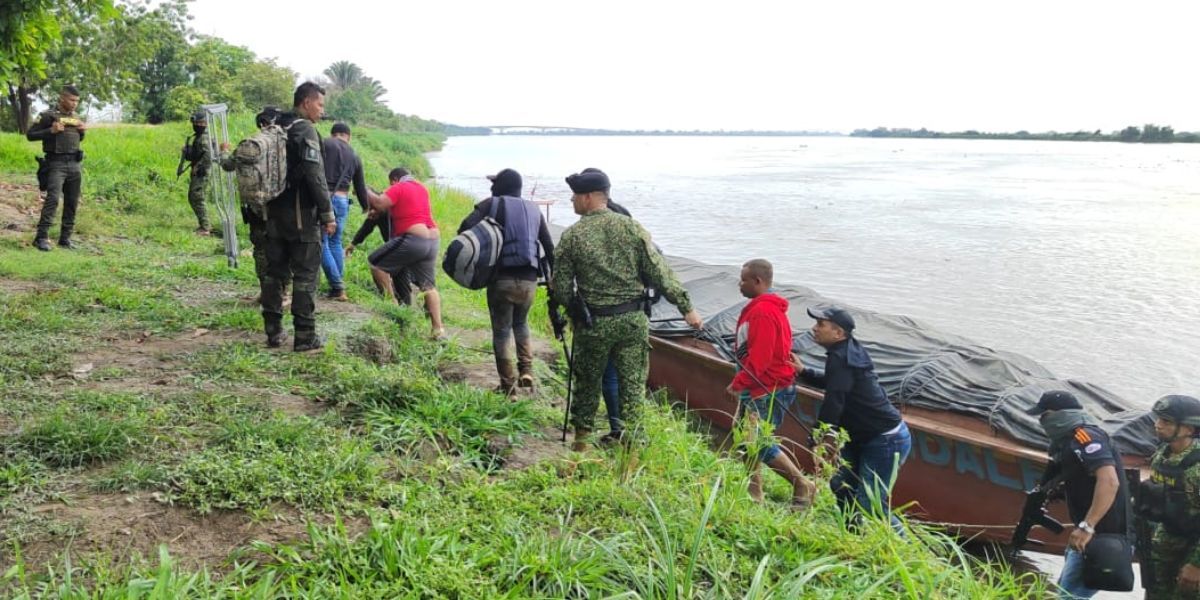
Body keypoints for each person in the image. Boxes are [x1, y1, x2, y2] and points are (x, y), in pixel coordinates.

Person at [550, 168, 702, 451]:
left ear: (588, 197)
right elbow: (659, 271)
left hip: (593, 324)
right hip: (633, 321)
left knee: (587, 385)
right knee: (632, 387)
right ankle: (631, 455)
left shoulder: (572, 236)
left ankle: (580, 448)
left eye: (574, 196)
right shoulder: (632, 227)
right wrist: (687, 308)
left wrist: (573, 311)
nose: (571, 200)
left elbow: (560, 288)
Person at [796, 306, 912, 526]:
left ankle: (905, 551)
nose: (814, 328)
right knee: (841, 485)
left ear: (838, 333)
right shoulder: (844, 352)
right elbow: (837, 384)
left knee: (871, 504)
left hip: (884, 439)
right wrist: (804, 372)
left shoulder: (842, 357)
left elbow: (835, 400)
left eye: (821, 324)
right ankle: (853, 536)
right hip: (861, 436)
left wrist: (819, 434)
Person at [726, 259, 816, 509]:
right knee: (745, 436)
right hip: (757, 386)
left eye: (743, 279)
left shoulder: (764, 312)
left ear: (757, 281)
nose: (740, 284)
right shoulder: (761, 308)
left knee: (758, 442)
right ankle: (753, 493)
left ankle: (801, 484)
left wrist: (738, 382)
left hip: (767, 388)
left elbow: (761, 357)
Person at [456, 168, 555, 395]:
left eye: (494, 184)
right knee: (521, 324)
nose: (491, 188)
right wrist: (552, 279)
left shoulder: (491, 204)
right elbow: (549, 248)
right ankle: (527, 371)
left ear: (501, 187)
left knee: (501, 332)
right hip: (530, 281)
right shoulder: (534, 209)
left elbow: (464, 229)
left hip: (502, 280)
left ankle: (508, 387)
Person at [1026, 390, 1132, 599]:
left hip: (1103, 536)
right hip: (1090, 536)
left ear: (1056, 414)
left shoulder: (1086, 437)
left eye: (1044, 415)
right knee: (1064, 593)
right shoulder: (1066, 441)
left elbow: (1109, 481)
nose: (1041, 421)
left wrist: (1087, 526)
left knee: (1069, 596)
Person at [261, 82, 337, 352]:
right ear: (306, 102)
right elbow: (314, 174)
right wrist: (328, 213)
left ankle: (273, 330)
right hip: (301, 216)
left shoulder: (276, 126)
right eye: (320, 104)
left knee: (274, 274)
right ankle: (305, 336)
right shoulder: (304, 129)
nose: (321, 110)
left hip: (272, 215)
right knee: (305, 276)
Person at [220, 106, 290, 305]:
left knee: (261, 250)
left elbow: (228, 165)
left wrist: (224, 151)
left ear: (261, 123)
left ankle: (267, 293)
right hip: (284, 207)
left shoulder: (254, 144)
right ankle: (285, 293)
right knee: (284, 249)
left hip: (258, 208)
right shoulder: (288, 141)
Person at [366, 168, 445, 339]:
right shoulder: (421, 187)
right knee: (428, 286)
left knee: (375, 263)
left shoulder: (399, 187)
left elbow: (379, 202)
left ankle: (392, 306)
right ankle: (438, 330)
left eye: (389, 184)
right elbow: (399, 208)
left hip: (414, 237)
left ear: (394, 180)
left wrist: (365, 189)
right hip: (433, 239)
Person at [1139, 394, 1200, 599]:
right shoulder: (1162, 455)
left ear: (1189, 429)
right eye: (1158, 419)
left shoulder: (1197, 467)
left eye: (1166, 421)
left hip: (1194, 548)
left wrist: (1196, 565)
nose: (1158, 425)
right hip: (1165, 542)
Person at [27, 85, 87, 251]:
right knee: (52, 199)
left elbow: (77, 138)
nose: (74, 104)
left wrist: (82, 132)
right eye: (71, 100)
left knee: (72, 202)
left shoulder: (76, 117)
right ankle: (41, 238)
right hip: (56, 163)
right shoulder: (47, 116)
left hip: (74, 163)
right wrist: (50, 131)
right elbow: (30, 135)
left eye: (77, 101)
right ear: (62, 98)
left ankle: (65, 239)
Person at [320, 122, 370, 301]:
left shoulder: (324, 144)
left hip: (323, 198)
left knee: (321, 242)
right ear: (348, 136)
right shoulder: (354, 155)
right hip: (342, 200)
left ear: (333, 133)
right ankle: (337, 287)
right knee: (335, 243)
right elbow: (360, 185)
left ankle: (338, 287)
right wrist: (366, 206)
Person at [185, 110, 213, 235]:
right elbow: (198, 154)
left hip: (201, 172)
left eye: (199, 122)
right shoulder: (199, 137)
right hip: (199, 170)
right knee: (194, 197)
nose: (197, 125)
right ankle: (204, 225)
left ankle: (205, 227)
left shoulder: (204, 138)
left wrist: (198, 167)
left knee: (196, 197)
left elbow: (208, 155)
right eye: (195, 122)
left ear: (205, 123)